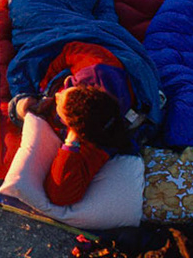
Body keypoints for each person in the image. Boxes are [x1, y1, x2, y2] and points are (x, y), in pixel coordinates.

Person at [11, 40, 137, 205]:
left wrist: (71, 141)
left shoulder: (96, 141)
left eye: (59, 103)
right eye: (65, 91)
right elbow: (70, 49)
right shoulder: (96, 70)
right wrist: (43, 87)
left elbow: (61, 195)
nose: (57, 95)